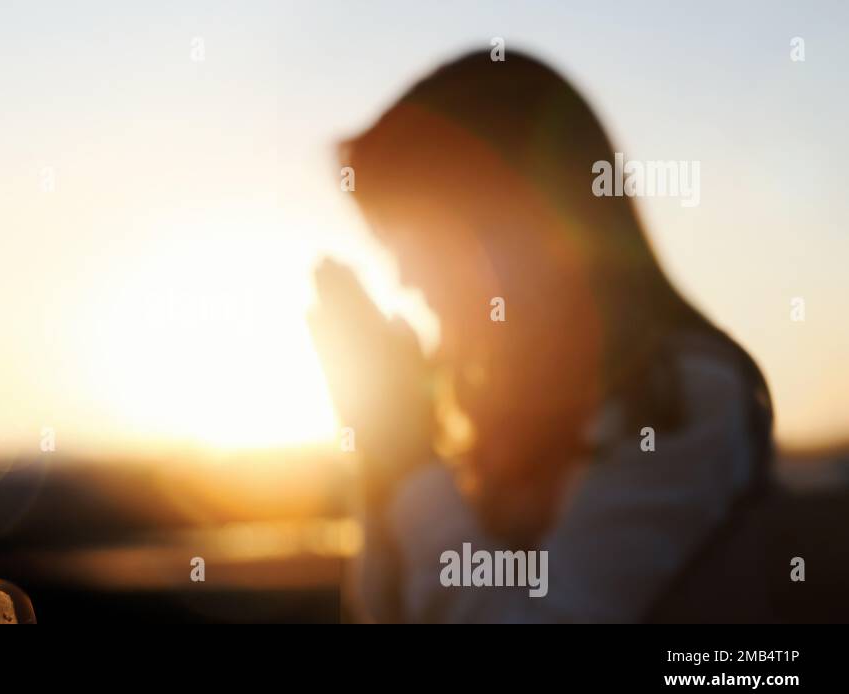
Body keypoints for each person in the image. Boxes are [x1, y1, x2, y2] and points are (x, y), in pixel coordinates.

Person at [309, 51, 773, 622]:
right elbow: (385, 610)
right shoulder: (480, 409)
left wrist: (408, 461)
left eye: (423, 240)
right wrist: (380, 455)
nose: (406, 278)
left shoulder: (684, 393)